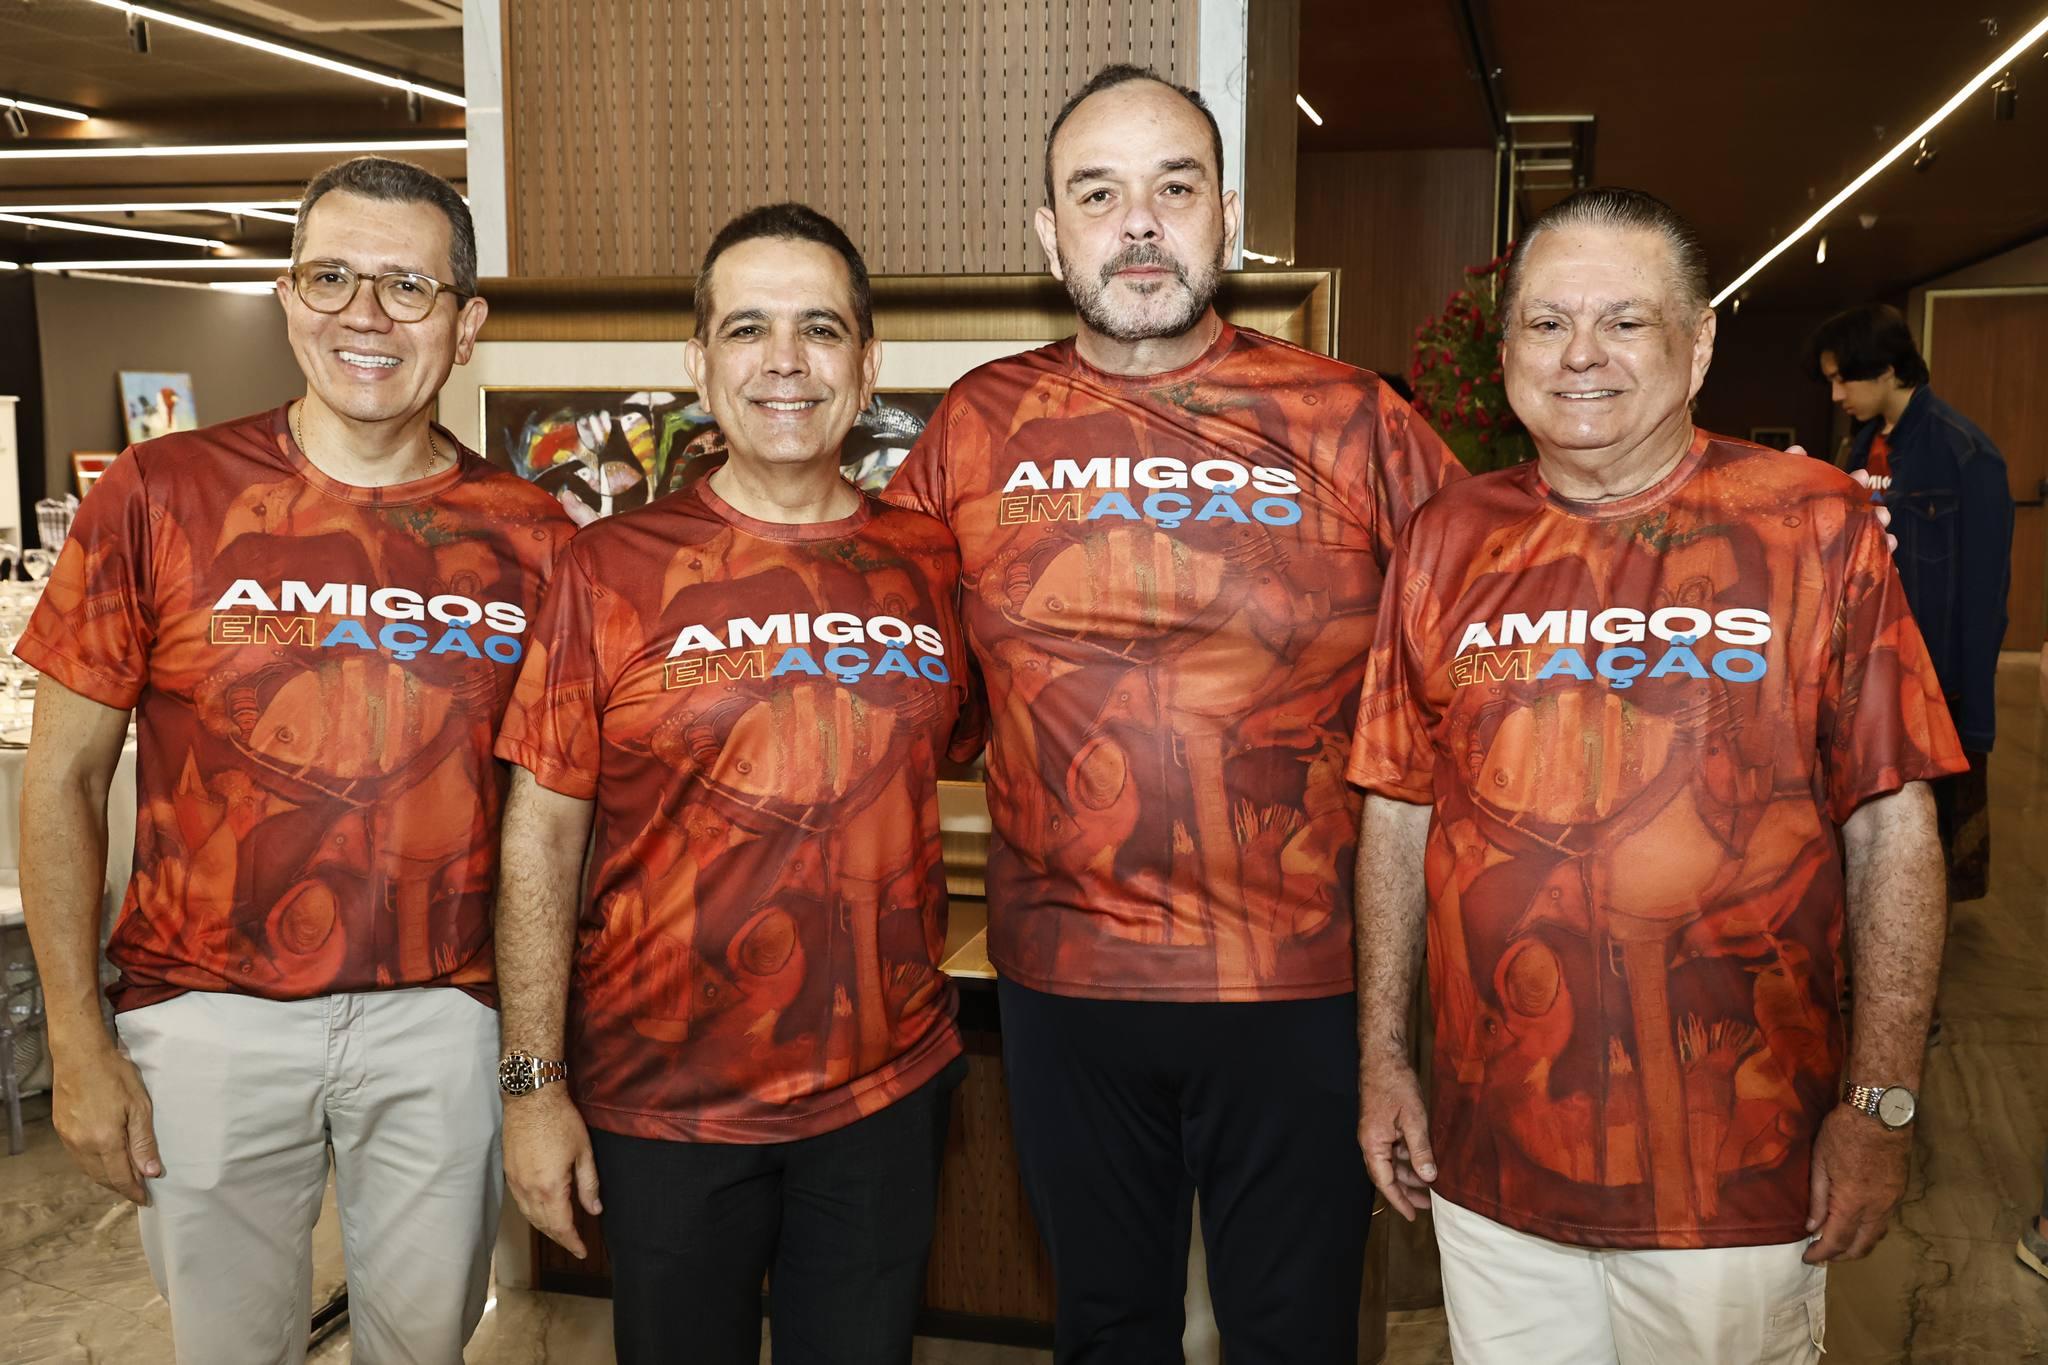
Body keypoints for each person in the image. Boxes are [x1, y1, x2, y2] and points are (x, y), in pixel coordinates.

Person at [883, 63, 1464, 1364]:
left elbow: (1481, 660)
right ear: (1051, 237)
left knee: (1293, 1336)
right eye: (1098, 194)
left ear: (1227, 218)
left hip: (1301, 982)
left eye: (1174, 188)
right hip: (1064, 982)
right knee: (1105, 1329)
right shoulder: (977, 427)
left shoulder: (1352, 421)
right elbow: (896, 672)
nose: (1138, 223)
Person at [1350, 188, 1965, 1363]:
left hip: (1735, 1166)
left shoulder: (1810, 523)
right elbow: (1395, 808)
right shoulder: (1447, 538)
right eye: (1545, 323)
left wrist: (1879, 1105)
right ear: (1506, 351)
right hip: (1494, 1161)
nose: (1579, 355)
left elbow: (1890, 829)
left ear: (1698, 345)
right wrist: (1382, 1057)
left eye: (1624, 321)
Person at [15, 156, 575, 1364]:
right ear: (286, 297)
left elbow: (552, 814)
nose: (364, 315)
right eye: (331, 278)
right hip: (203, 1017)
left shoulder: (533, 539)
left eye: (407, 287)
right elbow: (61, 779)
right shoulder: (161, 493)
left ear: (466, 323)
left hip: (442, 1019)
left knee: (422, 1347)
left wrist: (537, 1063)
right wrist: (76, 1038)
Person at [493, 203, 980, 1365]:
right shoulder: (608, 570)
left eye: (820, 328)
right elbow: (540, 841)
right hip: (665, 1101)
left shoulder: (929, 561)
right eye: (747, 328)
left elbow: (980, 753)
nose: (784, 361)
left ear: (867, 364)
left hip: (881, 1093)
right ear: (698, 362)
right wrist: (529, 1088)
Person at [1810, 304, 2013, 901]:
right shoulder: (1861, 446)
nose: (1836, 395)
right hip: (1870, 668)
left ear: (1888, 369)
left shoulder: (1964, 453)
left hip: (1936, 680)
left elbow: (1984, 596)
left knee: (1928, 852)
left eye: (1844, 379)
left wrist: (1974, 717)